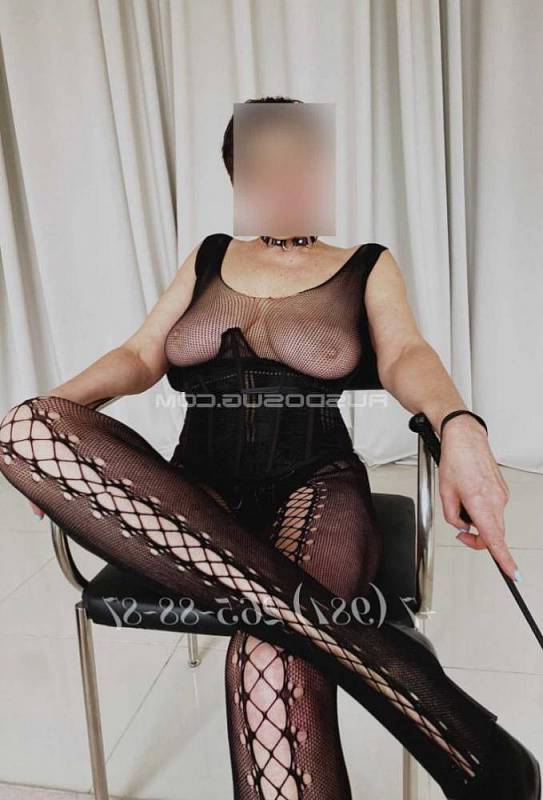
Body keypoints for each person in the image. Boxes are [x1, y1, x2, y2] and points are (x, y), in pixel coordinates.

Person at [0, 96, 540, 800]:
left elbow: (406, 354)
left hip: (317, 484)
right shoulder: (208, 256)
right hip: (195, 491)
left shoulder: (365, 264)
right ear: (236, 178)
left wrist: (458, 421)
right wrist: (61, 422)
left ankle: (404, 691)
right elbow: (138, 354)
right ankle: (426, 702)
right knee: (23, 427)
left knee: (267, 657)